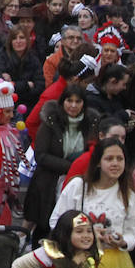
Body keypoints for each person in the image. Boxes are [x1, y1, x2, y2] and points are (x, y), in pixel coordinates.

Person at [50, 137, 135, 268]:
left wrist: (122, 241)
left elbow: (133, 233)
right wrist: (84, 235)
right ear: (98, 162)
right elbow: (56, 221)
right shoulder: (78, 186)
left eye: (120, 159)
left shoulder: (129, 197)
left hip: (113, 262)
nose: (115, 163)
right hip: (77, 258)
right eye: (109, 158)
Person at [27, 82, 101, 241]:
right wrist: (72, 166)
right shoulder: (50, 122)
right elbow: (41, 155)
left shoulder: (91, 123)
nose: (73, 106)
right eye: (69, 101)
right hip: (49, 181)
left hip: (81, 180)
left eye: (78, 101)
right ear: (63, 102)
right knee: (45, 225)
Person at [11, 209, 100, 268]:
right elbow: (18, 266)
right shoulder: (50, 252)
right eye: (79, 231)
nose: (86, 236)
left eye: (89, 231)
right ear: (66, 234)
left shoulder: (92, 252)